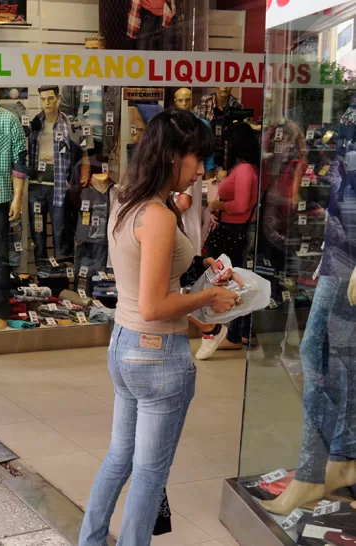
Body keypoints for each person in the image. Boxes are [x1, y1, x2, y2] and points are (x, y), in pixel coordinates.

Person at [78, 109, 238, 545]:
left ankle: (89, 539)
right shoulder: (159, 215)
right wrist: (209, 297)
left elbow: (146, 280)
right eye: (195, 159)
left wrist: (199, 264)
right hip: (157, 355)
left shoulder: (126, 200)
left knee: (119, 458)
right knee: (150, 475)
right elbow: (155, 305)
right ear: (172, 156)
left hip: (123, 346)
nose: (200, 170)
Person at [198, 122, 261, 358]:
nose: (225, 146)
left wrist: (218, 205)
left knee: (231, 280)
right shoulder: (246, 168)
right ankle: (243, 332)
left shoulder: (244, 170)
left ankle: (234, 334)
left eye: (227, 142)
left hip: (235, 230)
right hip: (235, 228)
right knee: (237, 279)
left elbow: (241, 205)